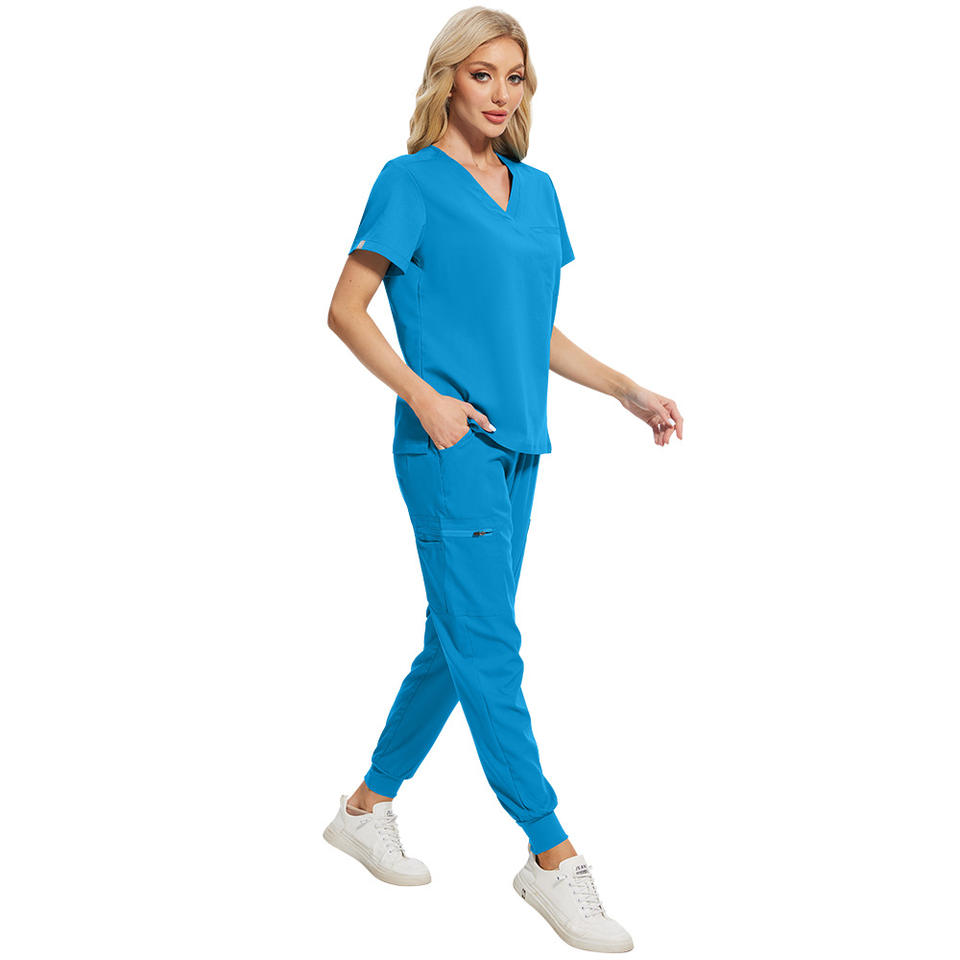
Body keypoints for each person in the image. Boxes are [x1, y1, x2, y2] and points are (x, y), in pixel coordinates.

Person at [324, 8, 682, 953]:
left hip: (523, 446)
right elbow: (346, 309)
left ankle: (365, 807)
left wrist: (626, 389)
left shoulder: (539, 190)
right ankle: (551, 854)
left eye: (514, 77)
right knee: (489, 645)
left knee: (457, 638)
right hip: (450, 449)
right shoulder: (408, 183)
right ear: (447, 78)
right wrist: (423, 397)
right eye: (481, 74)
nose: (499, 93)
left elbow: (531, 326)